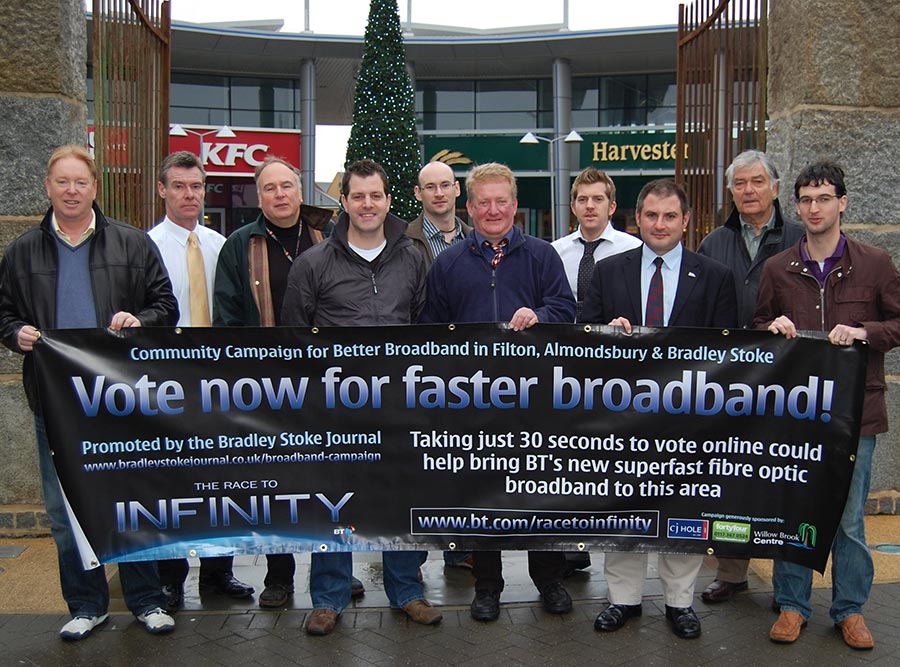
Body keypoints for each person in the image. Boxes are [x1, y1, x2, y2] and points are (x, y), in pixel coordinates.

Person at [0, 145, 178, 640]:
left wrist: (137, 321)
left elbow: (166, 306)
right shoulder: (21, 252)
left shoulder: (132, 244)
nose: (72, 191)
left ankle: (146, 600)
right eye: (62, 182)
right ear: (48, 187)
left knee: (132, 501)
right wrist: (16, 335)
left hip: (119, 401)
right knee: (64, 510)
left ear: (95, 187)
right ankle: (86, 604)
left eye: (81, 182)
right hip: (55, 405)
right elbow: (4, 314)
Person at [281, 159, 440, 635]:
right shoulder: (313, 263)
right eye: (358, 196)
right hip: (336, 409)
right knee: (334, 501)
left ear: (389, 201)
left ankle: (407, 590)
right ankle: (328, 598)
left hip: (399, 405)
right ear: (344, 202)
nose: (367, 205)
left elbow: (423, 326)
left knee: (401, 497)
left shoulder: (413, 256)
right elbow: (295, 338)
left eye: (376, 196)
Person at [581, 178, 736, 640]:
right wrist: (606, 332)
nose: (660, 224)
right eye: (651, 215)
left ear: (686, 221)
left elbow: (730, 354)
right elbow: (581, 335)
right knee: (622, 507)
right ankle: (623, 599)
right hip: (623, 417)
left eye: (670, 216)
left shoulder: (715, 277)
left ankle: (679, 602)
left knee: (683, 508)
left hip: (688, 419)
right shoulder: (609, 271)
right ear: (638, 219)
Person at [420, 162, 576, 622]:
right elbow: (432, 328)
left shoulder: (543, 256)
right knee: (483, 495)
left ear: (514, 205)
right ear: (469, 207)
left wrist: (540, 314)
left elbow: (567, 309)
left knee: (539, 492)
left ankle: (549, 580)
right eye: (483, 202)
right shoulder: (448, 261)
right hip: (475, 402)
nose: (492, 210)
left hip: (535, 400)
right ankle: (487, 586)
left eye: (501, 201)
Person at [754, 161, 900, 650]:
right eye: (806, 200)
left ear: (842, 202)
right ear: (796, 205)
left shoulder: (875, 263)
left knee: (850, 518)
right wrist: (771, 331)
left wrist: (864, 332)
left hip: (857, 415)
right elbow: (755, 331)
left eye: (823, 198)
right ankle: (792, 606)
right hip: (796, 413)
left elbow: (898, 325)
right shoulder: (778, 268)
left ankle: (850, 609)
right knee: (793, 509)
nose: (814, 208)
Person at [213, 156, 366, 608]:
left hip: (332, 382)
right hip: (269, 384)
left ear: (300, 191)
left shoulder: (332, 236)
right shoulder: (240, 245)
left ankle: (337, 569)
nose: (280, 195)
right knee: (276, 482)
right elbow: (227, 318)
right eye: (270, 188)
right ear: (258, 197)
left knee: (336, 481)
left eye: (287, 186)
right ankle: (279, 576)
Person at [696, 149, 805, 603]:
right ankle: (733, 571)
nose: (748, 191)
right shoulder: (713, 242)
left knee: (784, 480)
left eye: (757, 181)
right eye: (739, 184)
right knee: (732, 478)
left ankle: (789, 584)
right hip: (729, 380)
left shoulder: (800, 236)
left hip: (788, 378)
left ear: (776, 188)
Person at [148, 151, 255, 611]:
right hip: (170, 382)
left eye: (196, 187)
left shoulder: (222, 245)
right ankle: (171, 579)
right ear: (163, 190)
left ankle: (218, 572)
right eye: (179, 186)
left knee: (223, 478)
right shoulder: (144, 246)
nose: (189, 195)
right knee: (173, 482)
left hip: (220, 381)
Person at [552, 166, 641, 320]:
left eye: (598, 199)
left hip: (615, 339)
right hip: (564, 340)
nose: (590, 206)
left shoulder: (634, 249)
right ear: (573, 207)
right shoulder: (555, 251)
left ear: (611, 207)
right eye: (582, 199)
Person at [407, 160, 472, 272]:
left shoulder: (476, 239)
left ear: (457, 189)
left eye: (445, 185)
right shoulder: (404, 242)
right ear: (418, 193)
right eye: (430, 187)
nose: (439, 194)